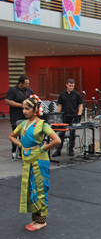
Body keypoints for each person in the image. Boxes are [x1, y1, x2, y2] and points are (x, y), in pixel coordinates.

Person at [8, 95, 61, 231]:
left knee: (41, 188)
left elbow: (56, 140)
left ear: (36, 109)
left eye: (28, 108)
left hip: (40, 160)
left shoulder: (41, 124)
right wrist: (20, 144)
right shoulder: (23, 125)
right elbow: (11, 136)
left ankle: (41, 220)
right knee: (31, 188)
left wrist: (42, 148)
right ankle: (34, 219)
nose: (25, 111)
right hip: (27, 160)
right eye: (23, 109)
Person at [6, 75, 34, 160]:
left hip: (27, 116)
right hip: (16, 116)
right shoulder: (13, 90)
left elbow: (33, 99)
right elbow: (8, 101)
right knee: (16, 133)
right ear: (20, 83)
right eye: (26, 84)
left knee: (26, 133)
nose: (27, 85)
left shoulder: (29, 90)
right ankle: (14, 151)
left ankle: (24, 151)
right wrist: (22, 105)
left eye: (28, 83)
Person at [53, 79, 83, 157]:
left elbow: (80, 105)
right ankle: (58, 150)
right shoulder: (62, 94)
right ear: (66, 85)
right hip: (64, 117)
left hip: (73, 116)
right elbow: (59, 106)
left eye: (72, 86)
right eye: (70, 85)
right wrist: (57, 116)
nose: (71, 87)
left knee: (72, 134)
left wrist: (78, 115)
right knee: (61, 133)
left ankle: (71, 149)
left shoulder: (77, 95)